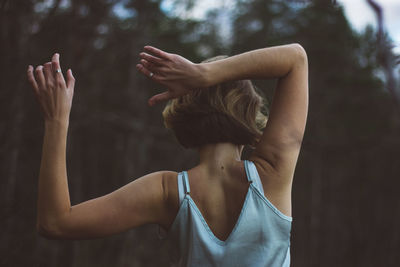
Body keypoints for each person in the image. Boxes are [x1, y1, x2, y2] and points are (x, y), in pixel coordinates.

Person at [27, 43, 308, 266]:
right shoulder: (272, 173)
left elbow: (55, 223)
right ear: (249, 112)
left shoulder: (164, 191)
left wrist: (56, 121)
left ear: (185, 111)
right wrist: (204, 74)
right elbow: (295, 59)